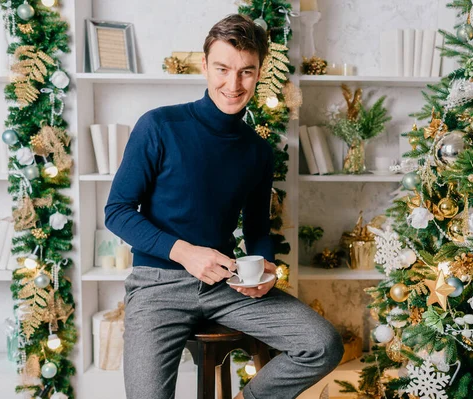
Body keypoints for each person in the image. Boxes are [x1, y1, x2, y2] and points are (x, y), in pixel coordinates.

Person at [105, 13, 344, 399]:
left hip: (225, 282)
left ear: (260, 72)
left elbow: (257, 230)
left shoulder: (257, 151)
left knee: (323, 344)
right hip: (157, 286)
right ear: (204, 65)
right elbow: (116, 211)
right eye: (222, 69)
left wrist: (266, 267)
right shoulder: (158, 126)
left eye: (246, 72)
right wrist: (186, 253)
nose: (233, 84)